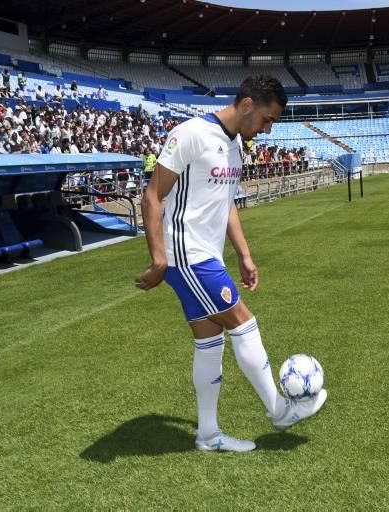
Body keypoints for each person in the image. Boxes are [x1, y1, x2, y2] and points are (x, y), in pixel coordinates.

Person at [135, 75, 327, 453]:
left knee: (209, 342)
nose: (267, 129)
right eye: (267, 119)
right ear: (246, 104)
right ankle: (279, 410)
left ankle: (208, 434)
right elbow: (151, 197)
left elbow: (226, 205)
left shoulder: (236, 144)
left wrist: (244, 254)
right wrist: (159, 259)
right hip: (186, 254)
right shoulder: (189, 134)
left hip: (205, 254)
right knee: (244, 321)